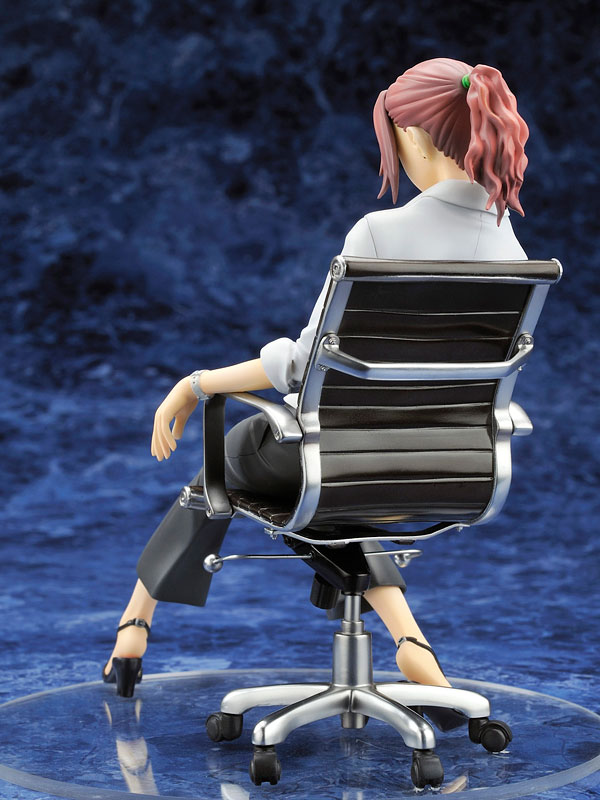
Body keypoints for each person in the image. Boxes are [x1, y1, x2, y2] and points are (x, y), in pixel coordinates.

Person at [103, 57, 529, 702]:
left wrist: (198, 384)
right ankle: (412, 642)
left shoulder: (381, 233)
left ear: (412, 137)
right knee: (335, 491)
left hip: (346, 459)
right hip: (458, 466)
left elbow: (303, 365)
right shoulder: (510, 248)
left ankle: (135, 625)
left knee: (246, 456)